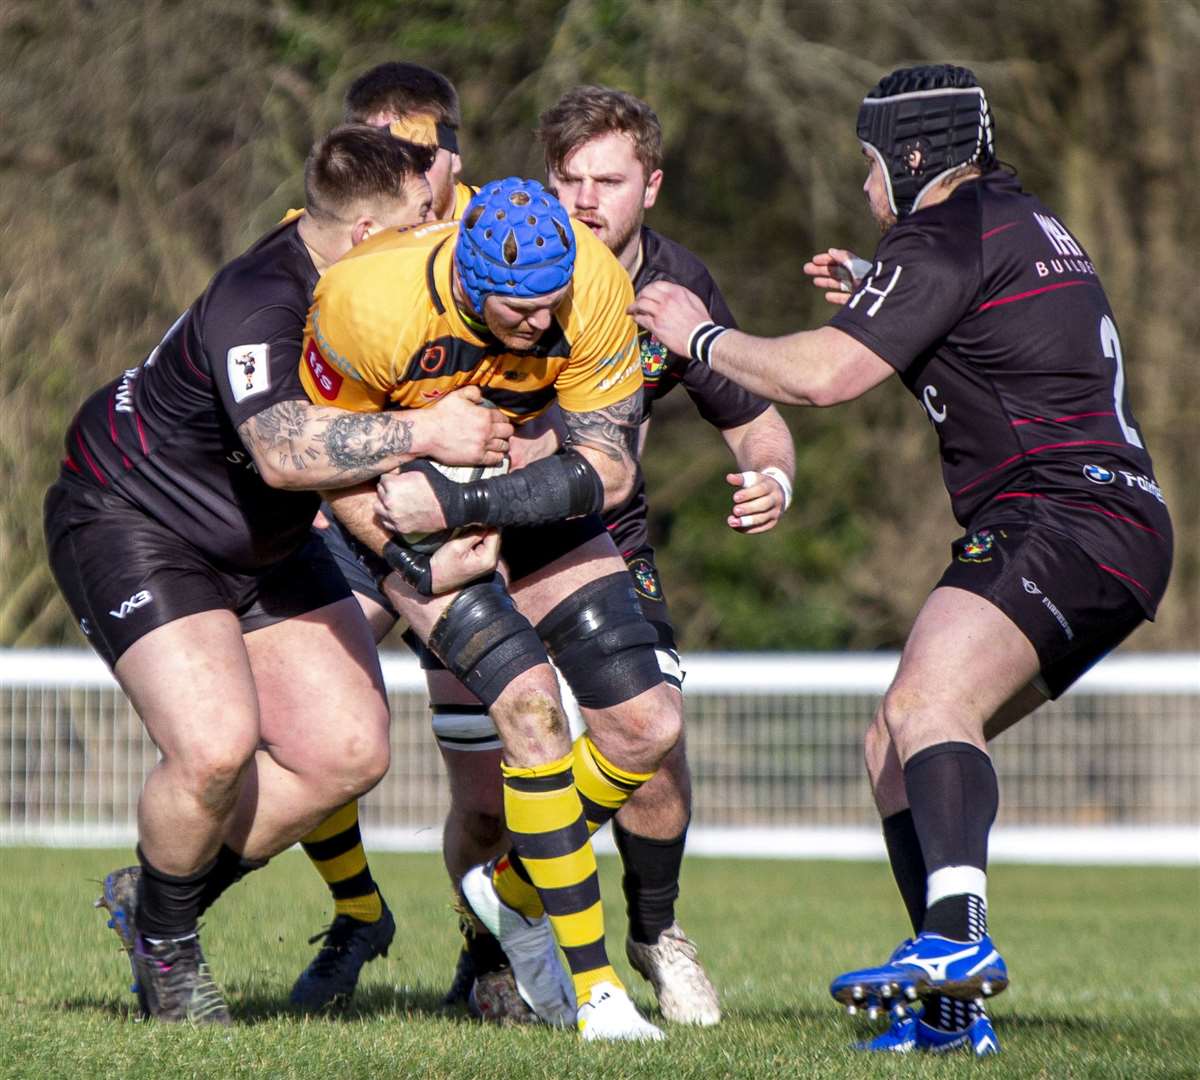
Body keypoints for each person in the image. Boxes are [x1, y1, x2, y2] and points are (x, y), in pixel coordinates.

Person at [628, 64, 1173, 1056]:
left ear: (909, 157)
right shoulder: (1018, 219)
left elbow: (826, 379)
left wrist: (699, 334)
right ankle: (950, 1014)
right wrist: (880, 304)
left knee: (929, 706)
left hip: (1063, 515)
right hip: (1113, 525)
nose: (866, 191)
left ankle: (956, 945)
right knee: (892, 745)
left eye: (870, 167)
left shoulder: (938, 233)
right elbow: (988, 345)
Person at [65, 126, 508, 1023]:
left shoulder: (378, 301)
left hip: (265, 541)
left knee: (349, 751)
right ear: (361, 237)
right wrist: (428, 434)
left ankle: (153, 902)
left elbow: (340, 476)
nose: (437, 237)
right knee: (216, 748)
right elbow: (282, 451)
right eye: (422, 222)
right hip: (135, 522)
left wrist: (422, 550)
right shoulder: (262, 299)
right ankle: (169, 952)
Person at [301, 176, 684, 1040]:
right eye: (519, 310)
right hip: (387, 515)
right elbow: (315, 453)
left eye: (551, 306)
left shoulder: (591, 281)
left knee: (648, 726)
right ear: (469, 281)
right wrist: (411, 547)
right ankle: (598, 997)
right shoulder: (368, 299)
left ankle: (510, 886)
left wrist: (468, 509)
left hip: (521, 497)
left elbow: (611, 467)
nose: (540, 325)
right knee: (516, 715)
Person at [535, 84, 796, 1025]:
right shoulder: (512, 255)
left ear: (652, 184)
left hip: (609, 539)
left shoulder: (678, 288)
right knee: (492, 777)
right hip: (492, 536)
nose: (584, 201)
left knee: (654, 744)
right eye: (568, 179)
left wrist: (774, 478)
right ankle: (492, 950)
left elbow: (758, 419)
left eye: (608, 180)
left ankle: (654, 932)